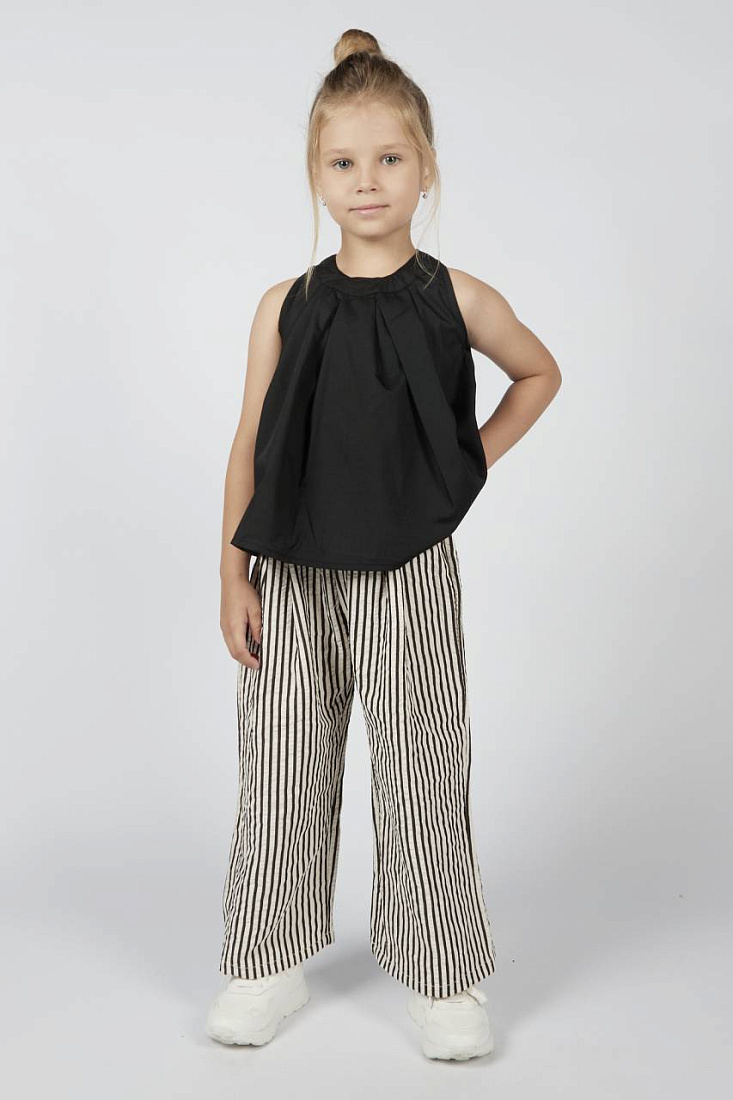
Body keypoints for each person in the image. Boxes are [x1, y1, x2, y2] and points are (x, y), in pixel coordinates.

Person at [205, 28, 561, 1062]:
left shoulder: (457, 298)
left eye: (389, 158)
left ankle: (442, 971)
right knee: (281, 767)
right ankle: (265, 959)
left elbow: (538, 373)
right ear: (316, 174)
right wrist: (231, 572)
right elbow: (248, 442)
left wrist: (460, 465)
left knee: (420, 770)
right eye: (343, 162)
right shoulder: (286, 305)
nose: (366, 181)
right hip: (294, 571)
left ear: (426, 167)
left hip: (408, 571)